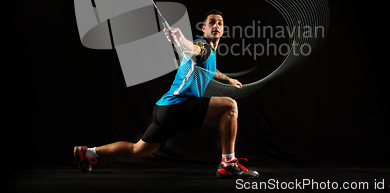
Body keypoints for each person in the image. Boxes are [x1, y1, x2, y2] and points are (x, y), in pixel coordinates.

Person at [74, 9, 259, 178]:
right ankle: (228, 163)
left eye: (220, 23)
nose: (216, 25)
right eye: (212, 22)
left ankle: (88, 152)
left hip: (164, 108)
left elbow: (212, 70)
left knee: (138, 149)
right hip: (177, 107)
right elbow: (194, 50)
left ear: (223, 29)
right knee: (230, 105)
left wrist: (228, 79)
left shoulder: (211, 54)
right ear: (204, 29)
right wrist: (180, 39)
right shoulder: (202, 45)